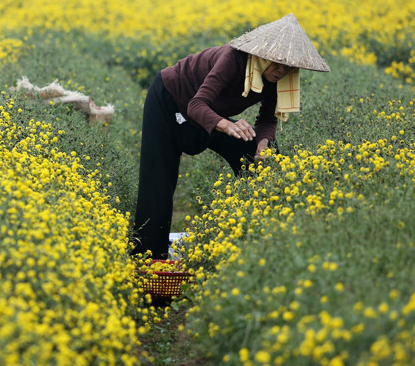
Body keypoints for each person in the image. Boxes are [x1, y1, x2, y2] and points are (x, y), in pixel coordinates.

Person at [131, 13, 330, 258]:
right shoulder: (233, 59)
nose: (281, 70)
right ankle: (148, 261)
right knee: (158, 184)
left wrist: (263, 143)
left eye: (288, 66)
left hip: (211, 113)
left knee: (261, 160)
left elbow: (267, 120)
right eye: (276, 63)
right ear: (260, 54)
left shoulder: (281, 78)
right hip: (171, 100)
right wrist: (225, 125)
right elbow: (196, 104)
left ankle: (258, 239)